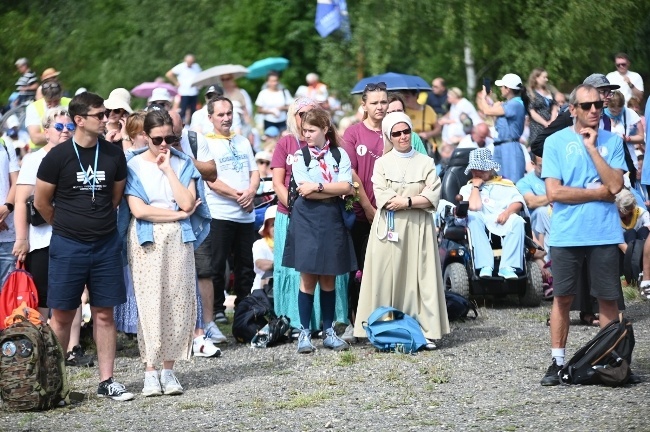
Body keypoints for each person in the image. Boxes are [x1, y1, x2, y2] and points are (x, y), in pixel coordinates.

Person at [34, 92, 134, 400]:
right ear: (80, 120)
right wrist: (67, 224)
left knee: (105, 313)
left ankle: (107, 381)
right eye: (100, 115)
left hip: (105, 244)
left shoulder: (113, 154)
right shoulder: (57, 157)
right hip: (67, 245)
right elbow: (41, 202)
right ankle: (54, 384)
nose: (107, 119)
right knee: (62, 314)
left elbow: (115, 198)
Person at [540, 84, 627, 386]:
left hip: (604, 232)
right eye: (587, 105)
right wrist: (595, 193)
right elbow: (554, 192)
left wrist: (592, 148)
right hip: (567, 235)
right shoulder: (554, 142)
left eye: (598, 106)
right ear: (573, 109)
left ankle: (609, 359)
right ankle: (557, 361)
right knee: (562, 298)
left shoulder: (612, 140)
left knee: (607, 298)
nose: (594, 111)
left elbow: (615, 186)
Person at [123, 109, 208, 396]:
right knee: (149, 303)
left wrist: (168, 169)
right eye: (157, 138)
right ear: (144, 136)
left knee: (178, 300)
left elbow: (188, 201)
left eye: (169, 138)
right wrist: (177, 215)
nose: (163, 144)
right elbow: (138, 210)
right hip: (146, 236)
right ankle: (150, 370)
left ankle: (168, 370)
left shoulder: (182, 162)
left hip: (178, 238)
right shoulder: (131, 165)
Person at [352, 112, 449, 345]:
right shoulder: (382, 163)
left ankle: (425, 331)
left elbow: (433, 194)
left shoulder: (425, 162)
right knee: (385, 276)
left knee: (420, 277)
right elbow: (382, 195)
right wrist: (416, 199)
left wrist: (406, 202)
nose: (403, 136)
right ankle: (382, 328)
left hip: (418, 226)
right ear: (389, 136)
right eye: (397, 133)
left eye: (407, 131)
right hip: (390, 226)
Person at [13, 108, 93, 367]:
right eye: (59, 127)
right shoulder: (34, 160)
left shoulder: (81, 157)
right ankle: (42, 348)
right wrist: (22, 238)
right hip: (42, 239)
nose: (65, 130)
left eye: (69, 126)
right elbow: (21, 201)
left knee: (76, 291)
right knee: (45, 296)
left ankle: (73, 348)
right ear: (46, 131)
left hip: (76, 236)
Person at [270, 97, 348, 336]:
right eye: (300, 114)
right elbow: (298, 188)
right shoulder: (295, 152)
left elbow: (346, 187)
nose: (305, 124)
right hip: (301, 217)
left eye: (310, 115)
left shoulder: (338, 154)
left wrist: (320, 188)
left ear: (324, 127)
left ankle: (328, 328)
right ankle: (301, 327)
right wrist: (324, 192)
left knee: (328, 277)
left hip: (330, 220)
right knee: (305, 277)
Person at [204, 96, 259, 324]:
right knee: (217, 264)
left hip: (245, 214)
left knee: (246, 265)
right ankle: (217, 308)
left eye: (229, 113)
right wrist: (239, 195)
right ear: (210, 117)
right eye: (220, 114)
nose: (226, 118)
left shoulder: (243, 141)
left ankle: (243, 307)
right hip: (220, 212)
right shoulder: (206, 143)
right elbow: (210, 180)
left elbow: (254, 171)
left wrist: (251, 191)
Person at [341, 83, 388, 341]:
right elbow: (350, 171)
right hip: (361, 213)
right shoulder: (354, 133)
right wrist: (368, 208)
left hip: (390, 212)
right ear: (364, 105)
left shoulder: (395, 131)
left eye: (384, 102)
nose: (380, 107)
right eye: (374, 102)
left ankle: (385, 319)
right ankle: (356, 321)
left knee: (386, 269)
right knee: (359, 270)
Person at [458, 148, 527, 280]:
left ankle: (507, 267)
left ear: (490, 168)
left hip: (502, 219)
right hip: (480, 222)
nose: (477, 172)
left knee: (517, 221)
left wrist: (507, 213)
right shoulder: (466, 189)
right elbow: (475, 207)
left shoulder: (505, 184)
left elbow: (518, 202)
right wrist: (476, 187)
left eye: (481, 169)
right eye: (475, 169)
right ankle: (485, 265)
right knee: (473, 216)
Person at [475, 73, 528, 183]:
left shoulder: (515, 104)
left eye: (502, 87)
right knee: (498, 183)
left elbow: (486, 111)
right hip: (500, 146)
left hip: (510, 147)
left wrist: (484, 97)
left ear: (508, 89)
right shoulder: (508, 104)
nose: (500, 89)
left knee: (512, 183)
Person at [24, 68, 71, 149]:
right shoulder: (33, 107)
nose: (53, 105)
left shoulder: (70, 103)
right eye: (49, 102)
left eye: (56, 101)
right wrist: (65, 135)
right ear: (43, 97)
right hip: (40, 150)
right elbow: (36, 139)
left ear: (61, 95)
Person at [604, 90, 644, 168]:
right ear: (607, 105)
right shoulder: (601, 115)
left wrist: (628, 139)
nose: (616, 113)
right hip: (607, 159)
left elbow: (641, 137)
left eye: (619, 111)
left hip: (627, 159)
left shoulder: (630, 114)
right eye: (612, 111)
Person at [166, 54, 202, 123]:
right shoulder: (181, 67)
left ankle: (192, 124)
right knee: (183, 110)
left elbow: (200, 75)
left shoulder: (196, 67)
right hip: (184, 92)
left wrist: (199, 85)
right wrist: (176, 82)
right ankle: (177, 123)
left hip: (194, 92)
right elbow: (169, 74)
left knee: (193, 110)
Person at [526, 68, 558, 145]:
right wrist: (545, 123)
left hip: (551, 127)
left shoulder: (549, 92)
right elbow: (532, 112)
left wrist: (552, 121)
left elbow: (554, 106)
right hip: (537, 127)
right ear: (536, 78)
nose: (546, 79)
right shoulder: (530, 93)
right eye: (544, 77)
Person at [252, 205, 276, 292]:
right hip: (261, 291)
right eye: (273, 224)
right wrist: (280, 266)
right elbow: (260, 264)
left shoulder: (291, 244)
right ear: (266, 228)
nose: (277, 227)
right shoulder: (259, 244)